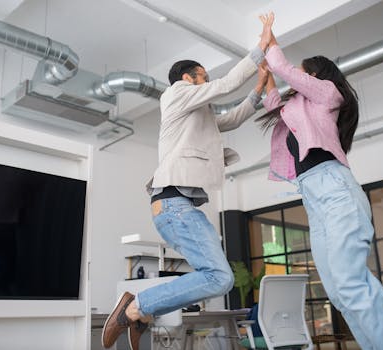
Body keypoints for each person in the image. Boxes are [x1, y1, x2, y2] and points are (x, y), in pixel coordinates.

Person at [101, 23, 273, 350]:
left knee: (217, 277)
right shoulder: (176, 93)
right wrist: (259, 50)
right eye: (203, 77)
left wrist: (259, 89)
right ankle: (136, 307)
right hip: (173, 205)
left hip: (180, 207)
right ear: (188, 79)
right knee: (220, 277)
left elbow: (233, 118)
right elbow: (225, 85)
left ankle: (142, 313)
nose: (206, 82)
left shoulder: (197, 115)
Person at [256, 12, 383, 350]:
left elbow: (286, 71)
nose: (299, 75)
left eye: (304, 70)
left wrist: (269, 35)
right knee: (340, 292)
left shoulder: (329, 94)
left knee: (351, 284)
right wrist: (266, 74)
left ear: (316, 74)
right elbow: (274, 102)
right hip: (314, 199)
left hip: (335, 190)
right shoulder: (299, 107)